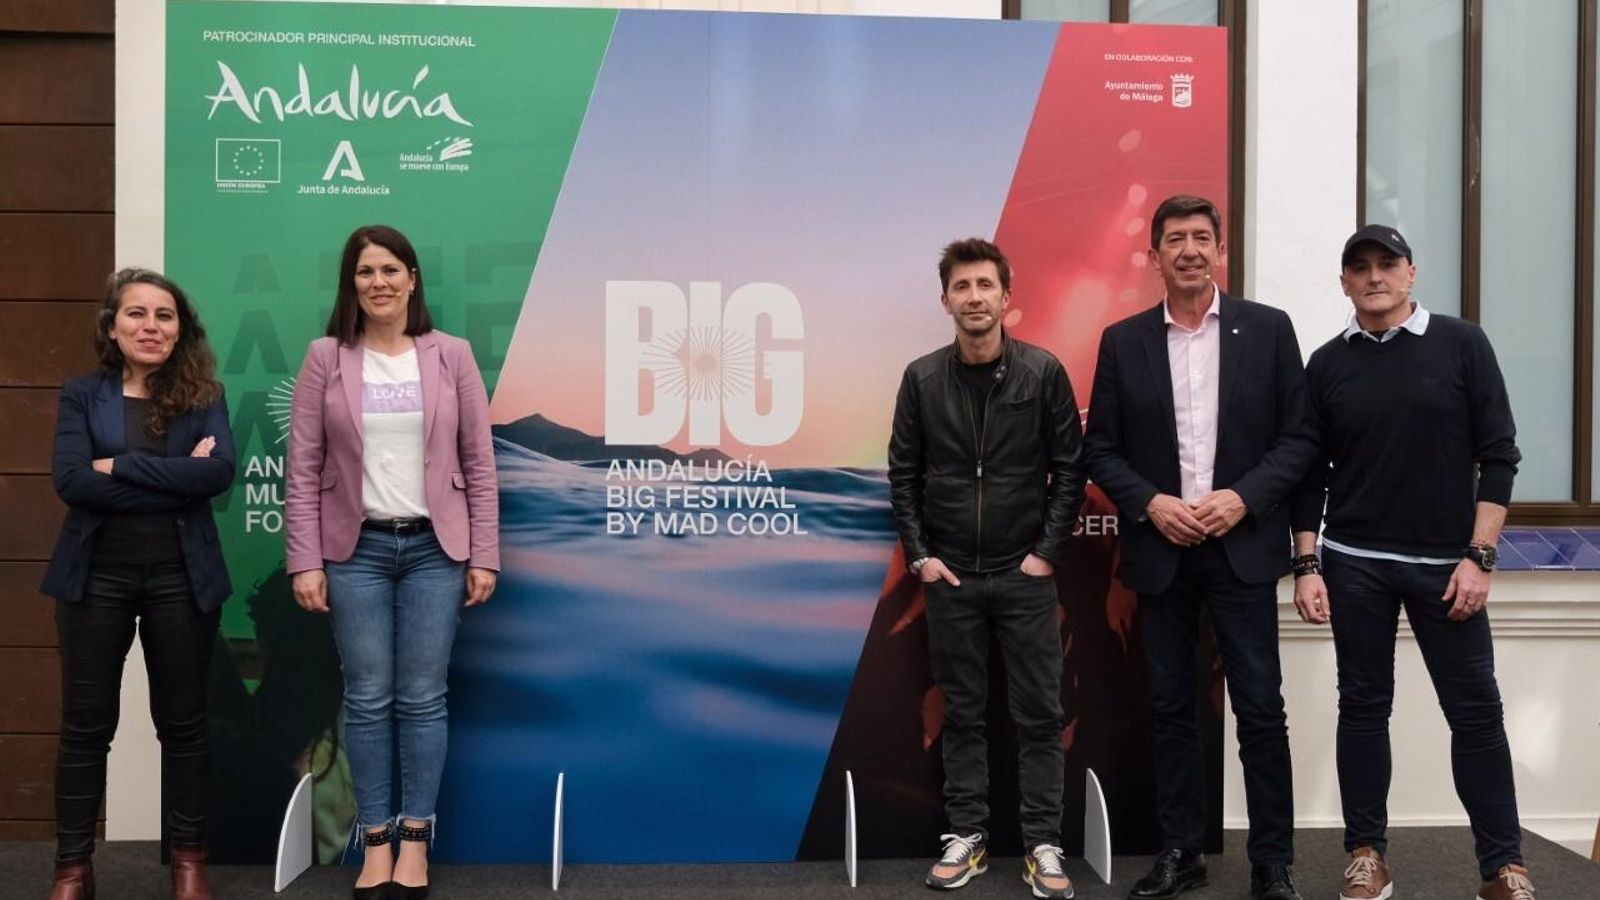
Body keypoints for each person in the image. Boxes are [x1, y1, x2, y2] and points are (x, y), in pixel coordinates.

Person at [1290, 225, 1535, 900]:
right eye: (1359, 268)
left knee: (1476, 712)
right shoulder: (1327, 363)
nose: (1374, 277)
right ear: (1344, 282)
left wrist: (1480, 557)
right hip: (1355, 562)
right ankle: (1367, 855)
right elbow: (1310, 473)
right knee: (1363, 707)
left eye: (1386, 264)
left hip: (1447, 567)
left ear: (1411, 273)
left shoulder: (1462, 344)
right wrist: (1307, 564)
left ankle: (1503, 868)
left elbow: (1500, 455)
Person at [1083, 195, 1315, 900]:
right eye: (1174, 238)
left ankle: (1272, 863)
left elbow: (1301, 439)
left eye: (1201, 237)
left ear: (1220, 249)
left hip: (1241, 547)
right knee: (1171, 707)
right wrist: (1150, 504)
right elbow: (1099, 448)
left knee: (1260, 707)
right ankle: (1181, 851)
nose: (1188, 248)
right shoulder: (1123, 342)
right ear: (1153, 256)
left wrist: (1242, 497)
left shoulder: (1269, 331)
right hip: (1162, 550)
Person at [286, 225, 499, 900]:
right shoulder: (326, 358)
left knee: (423, 698)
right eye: (363, 271)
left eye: (389, 269)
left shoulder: (451, 356)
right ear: (351, 284)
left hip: (437, 549)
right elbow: (304, 469)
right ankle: (373, 840)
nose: (377, 282)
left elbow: (480, 465)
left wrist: (484, 553)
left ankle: (416, 841)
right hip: (357, 552)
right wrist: (304, 561)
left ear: (412, 279)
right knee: (369, 699)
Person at [888, 238, 1087, 899]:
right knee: (964, 712)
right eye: (962, 287)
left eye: (985, 286)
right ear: (944, 299)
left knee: (1039, 714)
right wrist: (921, 556)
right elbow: (904, 473)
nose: (974, 297)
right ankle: (967, 836)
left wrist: (1045, 554)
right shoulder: (921, 378)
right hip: (952, 579)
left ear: (1008, 297)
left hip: (1023, 575)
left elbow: (1070, 469)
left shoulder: (1042, 373)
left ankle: (1043, 845)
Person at [41, 268, 235, 900]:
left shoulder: (206, 396)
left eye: (165, 316)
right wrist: (174, 472)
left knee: (183, 725)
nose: (151, 326)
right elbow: (72, 481)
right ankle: (72, 869)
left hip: (182, 577)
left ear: (181, 330)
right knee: (86, 726)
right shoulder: (81, 394)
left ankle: (189, 864)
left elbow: (217, 476)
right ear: (113, 325)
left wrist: (120, 466)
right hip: (96, 576)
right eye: (137, 314)